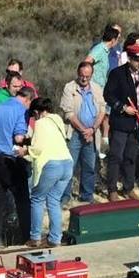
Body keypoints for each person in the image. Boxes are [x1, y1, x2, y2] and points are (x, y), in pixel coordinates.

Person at [0, 85, 34, 248]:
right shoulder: (21, 111)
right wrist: (30, 142)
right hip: (8, 161)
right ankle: (27, 236)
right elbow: (18, 138)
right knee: (23, 199)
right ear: (27, 99)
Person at [103, 35, 139, 201]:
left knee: (131, 157)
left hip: (136, 124)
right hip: (121, 122)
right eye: (136, 59)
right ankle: (112, 189)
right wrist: (123, 108)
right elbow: (107, 95)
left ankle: (128, 187)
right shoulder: (117, 74)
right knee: (116, 156)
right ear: (129, 58)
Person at [26, 97, 74, 248]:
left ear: (36, 112)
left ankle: (35, 237)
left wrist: (24, 151)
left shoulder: (40, 123)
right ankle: (55, 238)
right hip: (67, 163)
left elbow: (37, 148)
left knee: (37, 198)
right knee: (54, 200)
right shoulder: (57, 119)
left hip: (52, 165)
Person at [60, 59, 106, 203]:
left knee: (89, 166)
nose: (84, 78)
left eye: (87, 76)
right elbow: (69, 113)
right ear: (78, 73)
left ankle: (86, 195)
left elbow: (102, 110)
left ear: (92, 75)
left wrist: (92, 129)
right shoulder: (69, 88)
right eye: (82, 75)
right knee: (69, 167)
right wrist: (84, 130)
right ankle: (65, 197)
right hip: (74, 133)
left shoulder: (97, 88)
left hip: (92, 134)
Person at [86, 25, 121, 89]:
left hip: (101, 87)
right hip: (93, 87)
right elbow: (87, 61)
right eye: (117, 39)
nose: (117, 42)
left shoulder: (106, 51)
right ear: (113, 40)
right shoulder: (100, 48)